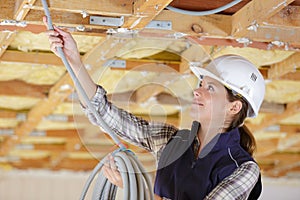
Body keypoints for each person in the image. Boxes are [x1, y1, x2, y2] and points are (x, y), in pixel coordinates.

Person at [44, 16, 264, 199]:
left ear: (234, 107)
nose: (197, 91)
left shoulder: (243, 169)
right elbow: (102, 113)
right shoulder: (170, 141)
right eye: (201, 85)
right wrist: (74, 61)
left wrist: (137, 185)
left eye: (211, 89)